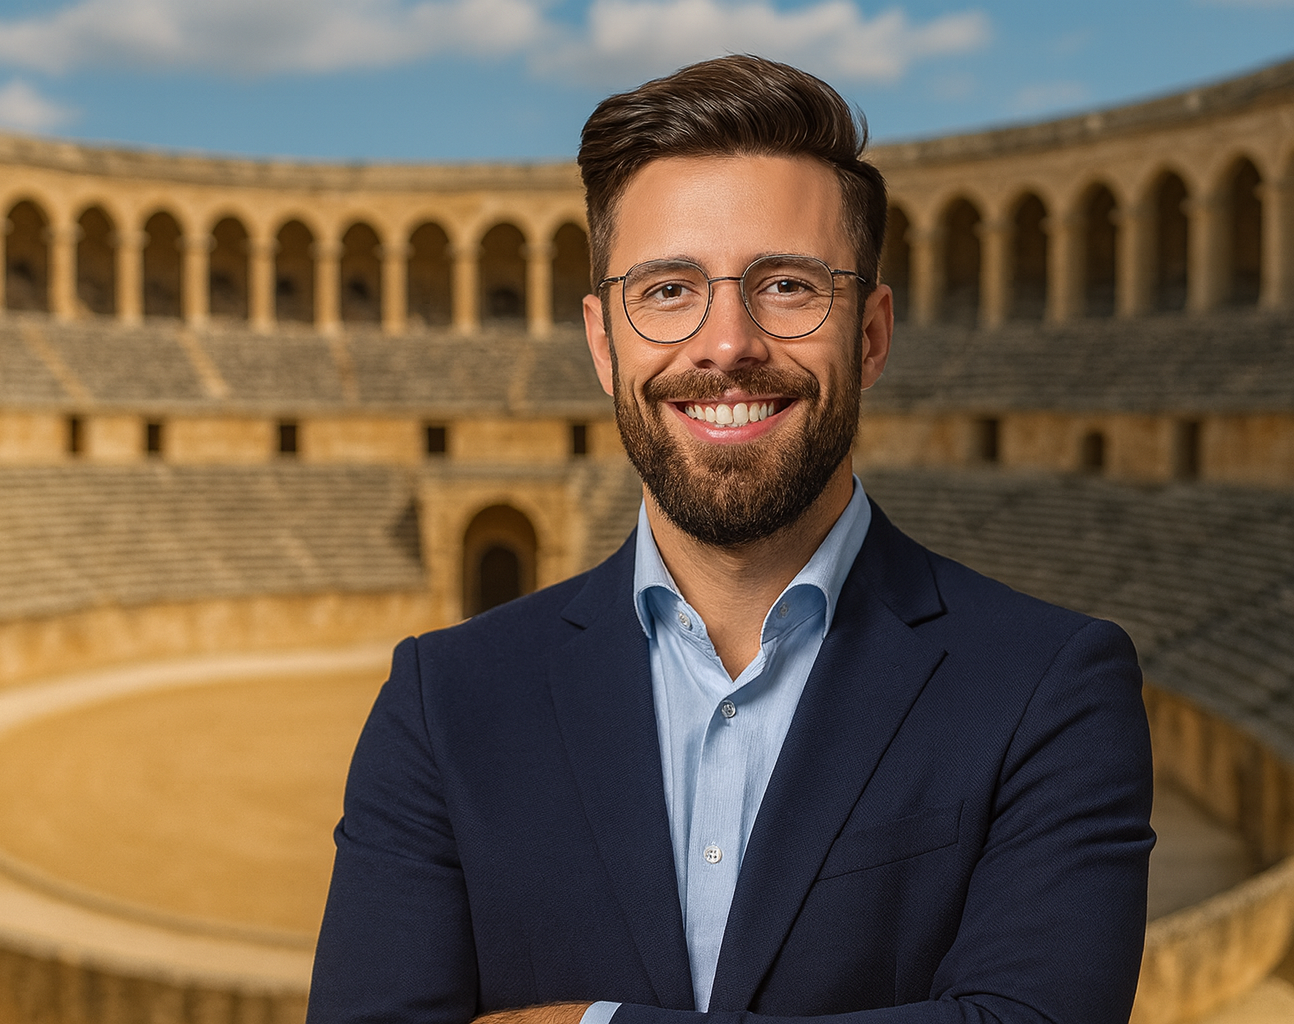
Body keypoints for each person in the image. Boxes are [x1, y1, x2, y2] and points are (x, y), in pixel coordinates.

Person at [308, 56, 1154, 1024]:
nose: (726, 345)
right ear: (601, 341)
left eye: (789, 284)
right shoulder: (443, 696)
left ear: (872, 335)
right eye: (667, 290)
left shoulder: (1049, 681)